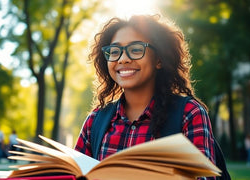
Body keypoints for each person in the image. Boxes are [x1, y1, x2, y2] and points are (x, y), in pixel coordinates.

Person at [75, 14, 216, 180]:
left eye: (135, 50)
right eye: (114, 51)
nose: (123, 59)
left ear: (158, 59)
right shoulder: (95, 121)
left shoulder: (189, 114)